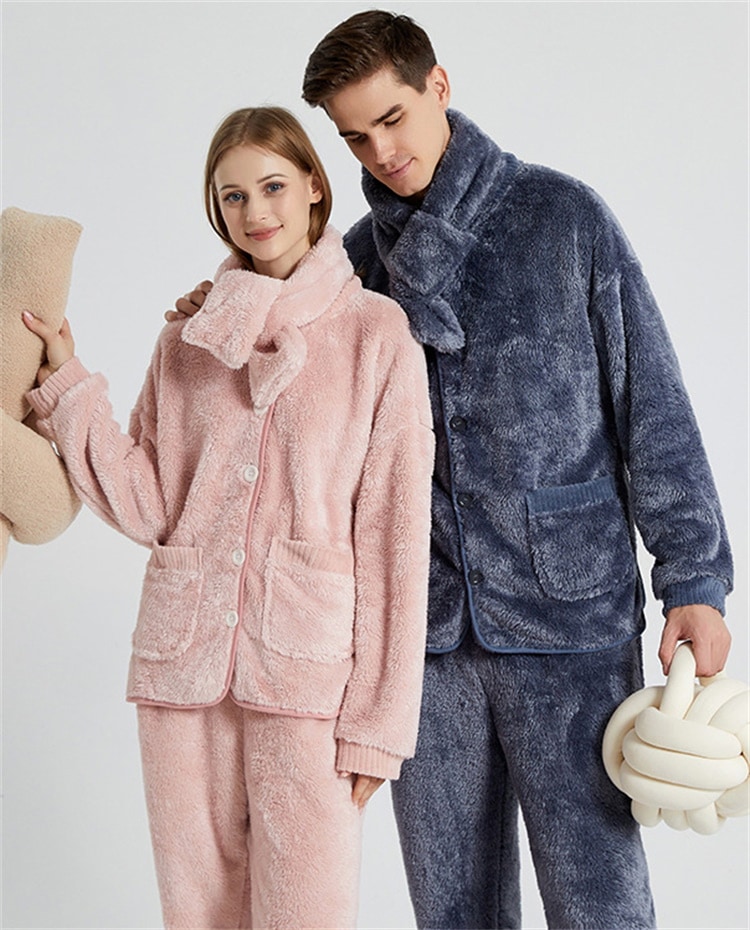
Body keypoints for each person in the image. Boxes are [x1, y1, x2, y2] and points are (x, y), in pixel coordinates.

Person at [171, 11, 734, 930]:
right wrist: (228, 301)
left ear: (438, 84)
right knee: (452, 910)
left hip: (569, 620)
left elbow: (653, 409)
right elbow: (280, 389)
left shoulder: (563, 218)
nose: (381, 152)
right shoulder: (354, 266)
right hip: (419, 641)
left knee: (600, 903)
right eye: (355, 137)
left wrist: (695, 581)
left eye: (392, 118)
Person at [22, 105, 434, 930]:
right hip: (183, 670)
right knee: (198, 912)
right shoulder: (188, 340)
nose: (256, 212)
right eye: (233, 196)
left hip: (310, 677)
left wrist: (379, 725)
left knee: (307, 911)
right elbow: (148, 504)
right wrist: (68, 385)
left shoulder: (375, 334)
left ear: (314, 186)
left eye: (273, 186)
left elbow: (395, 536)